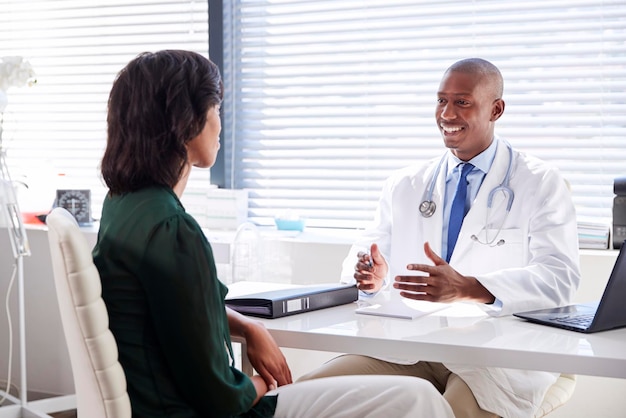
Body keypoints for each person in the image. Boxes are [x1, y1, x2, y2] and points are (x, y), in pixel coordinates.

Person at [92, 49, 456, 418]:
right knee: (417, 397)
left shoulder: (123, 206)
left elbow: (190, 306)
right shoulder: (174, 231)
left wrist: (248, 327)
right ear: (186, 122)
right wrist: (272, 384)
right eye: (217, 109)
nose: (221, 125)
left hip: (151, 402)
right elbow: (221, 399)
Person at [298, 58, 581, 418]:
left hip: (494, 355)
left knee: (449, 414)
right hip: (410, 346)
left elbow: (559, 279)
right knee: (307, 396)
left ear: (496, 109)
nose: (447, 113)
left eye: (462, 102)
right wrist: (370, 280)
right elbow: (361, 265)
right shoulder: (405, 184)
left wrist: (469, 287)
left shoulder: (540, 182)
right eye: (441, 100)